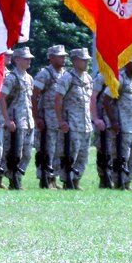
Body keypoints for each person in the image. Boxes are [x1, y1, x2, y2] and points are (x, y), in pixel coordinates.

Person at [103, 55, 132, 190]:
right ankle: (118, 182)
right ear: (127, 64)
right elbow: (107, 100)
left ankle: (128, 182)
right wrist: (113, 121)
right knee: (120, 156)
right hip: (123, 125)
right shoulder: (119, 79)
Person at [54, 47, 92, 190]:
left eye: (87, 60)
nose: (86, 62)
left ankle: (76, 180)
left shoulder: (88, 78)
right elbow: (58, 99)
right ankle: (66, 181)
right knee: (70, 153)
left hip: (86, 124)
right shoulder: (67, 78)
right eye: (83, 60)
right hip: (72, 124)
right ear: (75, 61)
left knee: (83, 154)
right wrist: (60, 121)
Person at [0, 46, 35, 190]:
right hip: (17, 120)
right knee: (15, 153)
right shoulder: (12, 78)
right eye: (26, 59)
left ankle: (18, 176)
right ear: (17, 60)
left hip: (28, 120)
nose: (29, 61)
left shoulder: (29, 78)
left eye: (29, 59)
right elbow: (2, 98)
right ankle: (13, 180)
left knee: (27, 153)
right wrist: (7, 119)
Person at [32, 44, 67, 189]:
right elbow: (34, 96)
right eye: (60, 56)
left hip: (59, 119)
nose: (63, 58)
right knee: (47, 149)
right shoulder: (45, 74)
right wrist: (37, 117)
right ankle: (44, 178)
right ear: (51, 58)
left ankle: (53, 178)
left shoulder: (65, 74)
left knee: (59, 150)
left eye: (64, 56)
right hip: (47, 118)